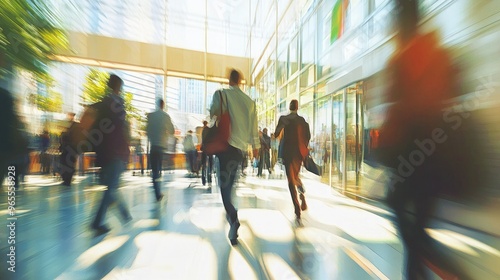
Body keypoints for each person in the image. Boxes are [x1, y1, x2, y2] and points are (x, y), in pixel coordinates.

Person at [377, 0, 465, 278]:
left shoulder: (401, 58)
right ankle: (417, 271)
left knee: (397, 205)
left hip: (412, 152)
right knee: (420, 225)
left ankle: (444, 272)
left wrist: (384, 147)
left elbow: (394, 109)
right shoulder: (441, 54)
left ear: (401, 22)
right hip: (441, 152)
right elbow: (454, 97)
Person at [209, 69, 260, 245]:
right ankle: (231, 220)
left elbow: (213, 113)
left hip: (224, 147)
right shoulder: (250, 102)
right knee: (230, 185)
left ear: (229, 79)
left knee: (224, 189)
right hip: (239, 151)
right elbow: (254, 128)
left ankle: (233, 219)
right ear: (241, 81)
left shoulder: (221, 94)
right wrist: (256, 146)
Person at [91, 74, 132, 235]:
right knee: (111, 188)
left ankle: (124, 214)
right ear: (119, 87)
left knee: (111, 186)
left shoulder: (101, 104)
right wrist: (125, 150)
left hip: (103, 151)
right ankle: (97, 222)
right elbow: (121, 130)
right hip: (115, 151)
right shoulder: (118, 104)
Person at [274, 99, 310, 226]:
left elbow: (276, 133)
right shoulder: (303, 121)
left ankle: (297, 210)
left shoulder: (284, 119)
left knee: (291, 180)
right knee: (295, 176)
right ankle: (301, 191)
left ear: (289, 107)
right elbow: (308, 137)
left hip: (288, 154)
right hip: (298, 154)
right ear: (297, 107)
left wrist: (280, 133)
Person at [146, 98, 175, 201]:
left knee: (155, 170)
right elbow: (172, 131)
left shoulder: (151, 116)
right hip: (161, 145)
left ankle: (157, 192)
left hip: (153, 145)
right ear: (163, 105)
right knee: (158, 169)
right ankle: (158, 192)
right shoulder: (166, 116)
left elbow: (147, 131)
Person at [59, 112, 78, 186]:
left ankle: (67, 180)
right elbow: (62, 137)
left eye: (71, 116)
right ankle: (65, 179)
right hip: (66, 148)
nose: (69, 117)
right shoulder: (66, 125)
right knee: (64, 163)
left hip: (71, 148)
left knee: (69, 164)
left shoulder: (75, 126)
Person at [200, 120, 213, 186]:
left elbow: (202, 140)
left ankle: (203, 178)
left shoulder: (203, 130)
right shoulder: (208, 129)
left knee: (203, 163)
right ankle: (209, 177)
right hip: (209, 148)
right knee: (210, 162)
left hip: (205, 148)